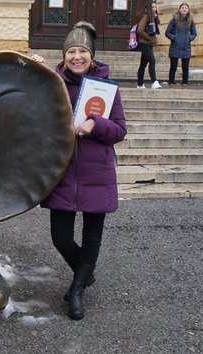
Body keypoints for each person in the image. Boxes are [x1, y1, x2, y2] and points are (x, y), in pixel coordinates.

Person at [33, 22, 127, 320]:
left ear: (91, 55)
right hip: (62, 173)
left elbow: (120, 130)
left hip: (95, 173)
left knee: (92, 238)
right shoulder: (52, 82)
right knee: (60, 237)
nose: (77, 56)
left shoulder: (106, 87)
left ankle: (76, 290)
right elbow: (32, 112)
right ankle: (85, 274)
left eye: (83, 51)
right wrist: (32, 71)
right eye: (71, 51)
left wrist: (95, 124)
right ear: (64, 55)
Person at [165, 3, 197, 89]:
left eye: (186, 8)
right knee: (173, 67)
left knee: (185, 68)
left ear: (188, 10)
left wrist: (189, 38)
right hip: (175, 47)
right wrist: (174, 38)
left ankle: (185, 84)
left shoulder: (191, 20)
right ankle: (171, 83)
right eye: (182, 8)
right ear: (179, 9)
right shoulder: (174, 20)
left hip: (186, 47)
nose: (184, 9)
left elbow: (194, 33)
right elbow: (167, 32)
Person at [136, 0, 162, 89]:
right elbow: (140, 30)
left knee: (143, 65)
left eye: (155, 7)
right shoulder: (146, 17)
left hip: (148, 43)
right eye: (153, 7)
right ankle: (154, 82)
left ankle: (140, 84)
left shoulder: (153, 18)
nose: (155, 9)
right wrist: (149, 38)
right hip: (144, 43)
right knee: (152, 61)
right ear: (148, 8)